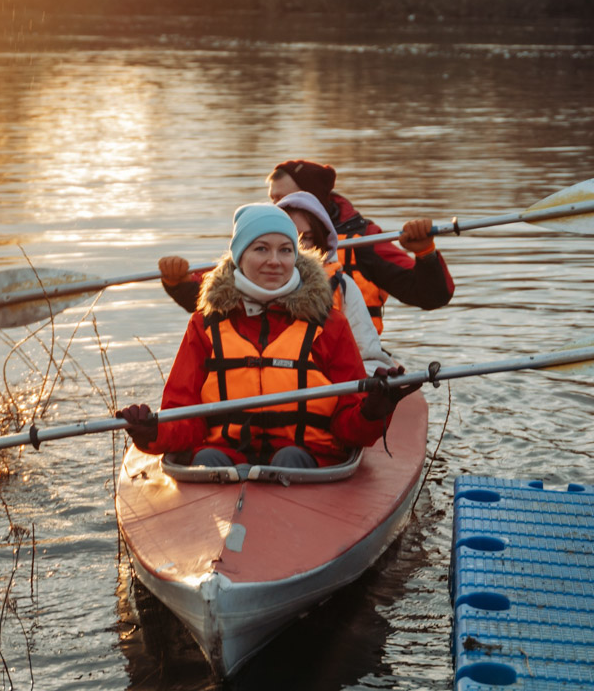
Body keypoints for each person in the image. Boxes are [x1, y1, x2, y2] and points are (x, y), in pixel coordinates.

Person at [118, 204, 420, 470]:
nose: (275, 260)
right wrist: (151, 432)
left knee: (290, 459)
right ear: (239, 257)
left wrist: (374, 409)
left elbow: (350, 428)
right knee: (207, 459)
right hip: (222, 458)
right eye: (261, 249)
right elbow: (184, 416)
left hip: (307, 461)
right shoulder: (205, 324)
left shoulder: (329, 324)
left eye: (285, 250)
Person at [266, 159, 454, 332]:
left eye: (283, 199)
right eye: (273, 200)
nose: (277, 208)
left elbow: (431, 296)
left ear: (310, 199)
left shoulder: (364, 240)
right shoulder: (262, 244)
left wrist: (425, 253)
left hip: (358, 354)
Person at [275, 189, 395, 375]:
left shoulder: (342, 286)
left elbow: (369, 357)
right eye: (289, 236)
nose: (297, 247)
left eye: (306, 237)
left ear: (321, 242)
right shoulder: (249, 286)